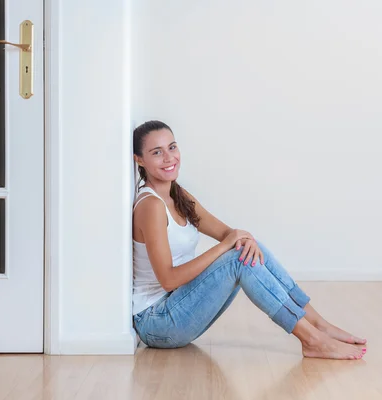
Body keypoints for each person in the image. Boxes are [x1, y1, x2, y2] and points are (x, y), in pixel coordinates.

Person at [131, 120, 367, 360]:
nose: (169, 158)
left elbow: (227, 234)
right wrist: (226, 246)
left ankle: (318, 324)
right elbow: (169, 279)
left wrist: (239, 239)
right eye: (157, 152)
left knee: (248, 246)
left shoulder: (177, 195)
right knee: (238, 259)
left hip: (180, 306)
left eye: (172, 147)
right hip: (157, 323)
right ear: (139, 160)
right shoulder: (150, 206)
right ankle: (312, 340)